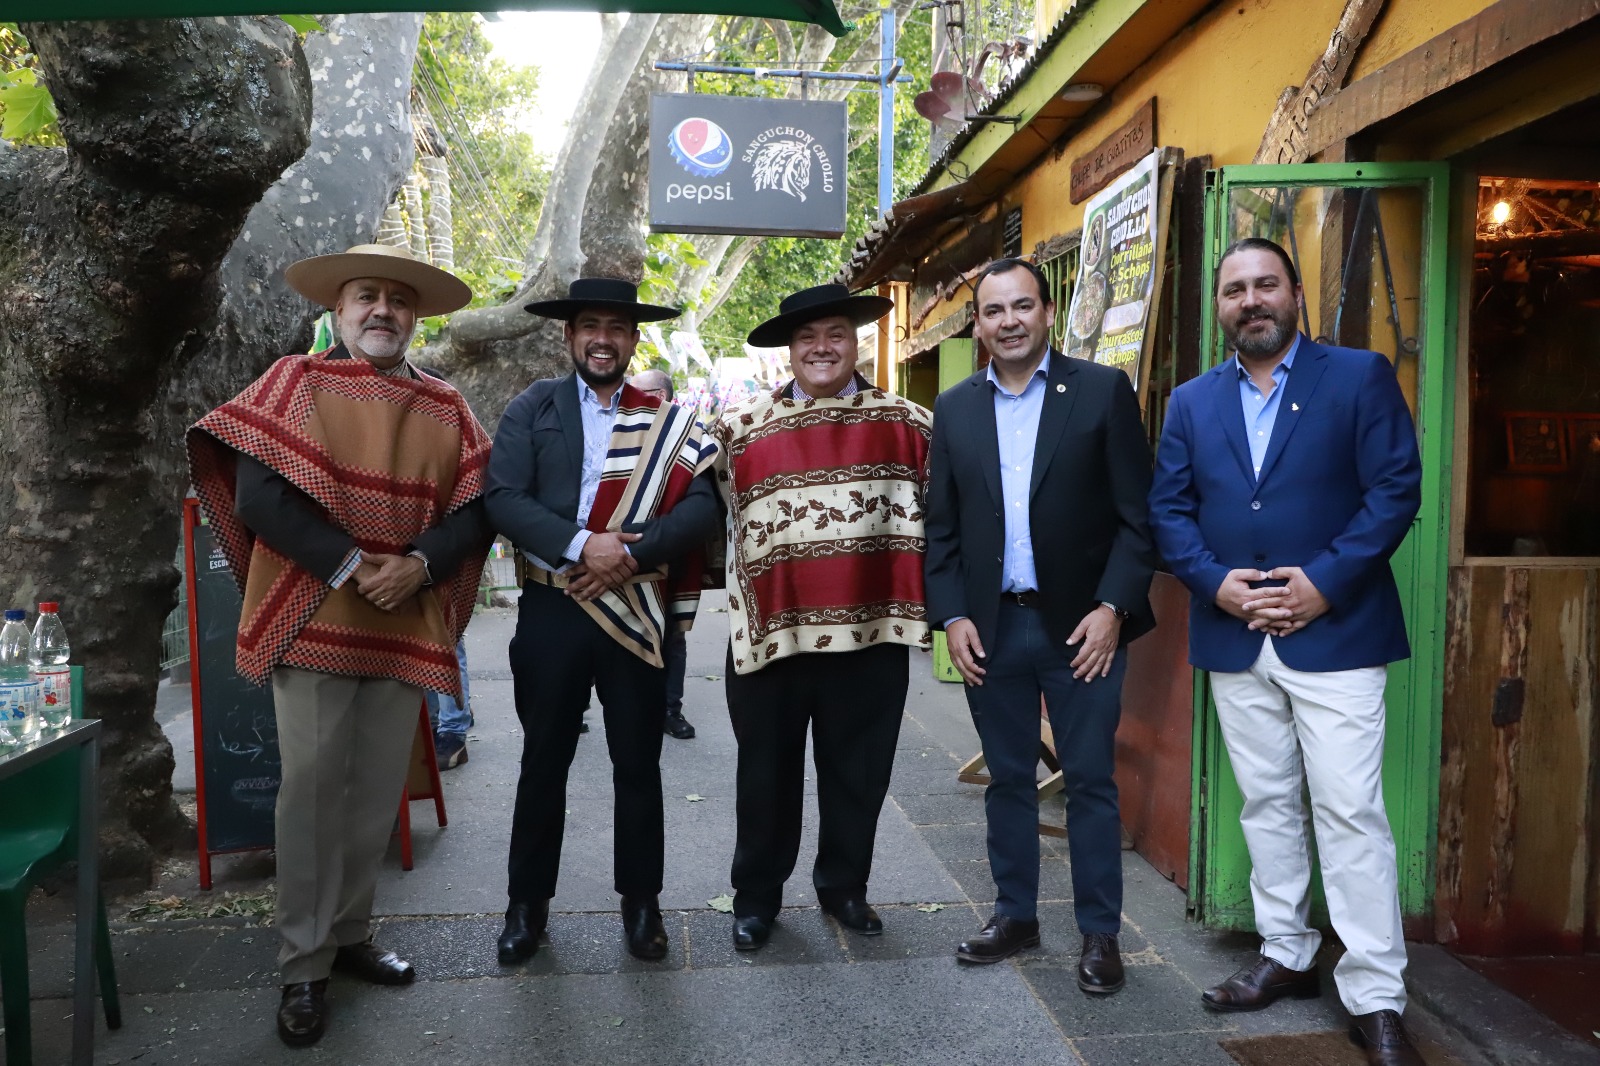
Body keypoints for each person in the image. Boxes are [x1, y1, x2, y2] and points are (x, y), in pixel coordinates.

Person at [186, 244, 492, 1048]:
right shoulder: (293, 382)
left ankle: (350, 934)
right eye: (367, 295)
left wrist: (420, 564)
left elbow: (476, 506)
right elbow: (259, 499)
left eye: (399, 298)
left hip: (403, 616)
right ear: (339, 308)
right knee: (313, 793)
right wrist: (357, 565)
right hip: (313, 615)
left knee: (375, 791)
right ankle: (302, 965)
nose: (383, 309)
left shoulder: (448, 405)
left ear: (415, 316)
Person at [1147, 238, 1424, 1066]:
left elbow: (1395, 489)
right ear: (1220, 307)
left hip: (1336, 633)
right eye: (1234, 289)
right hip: (1236, 634)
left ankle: (1375, 995)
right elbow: (1169, 511)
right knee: (1265, 802)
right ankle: (1287, 952)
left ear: (1296, 293)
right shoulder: (1192, 402)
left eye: (1265, 284)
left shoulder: (1359, 377)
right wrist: (1215, 585)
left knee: (1350, 811)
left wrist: (1324, 583)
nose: (1251, 300)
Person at [924, 257, 1156, 995]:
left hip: (1083, 631)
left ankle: (1100, 933)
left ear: (1049, 312)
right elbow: (942, 529)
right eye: (994, 311)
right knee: (1008, 780)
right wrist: (952, 615)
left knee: (1088, 780)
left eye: (1022, 306)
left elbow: (1138, 519)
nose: (1010, 321)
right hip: (992, 628)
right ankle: (1015, 916)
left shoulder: (1100, 390)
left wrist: (1113, 610)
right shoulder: (955, 408)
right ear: (978, 325)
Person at [486, 278, 721, 966]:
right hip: (553, 607)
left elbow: (704, 508)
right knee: (543, 761)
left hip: (635, 606)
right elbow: (502, 497)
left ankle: (642, 904)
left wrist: (629, 555)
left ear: (633, 340)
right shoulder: (533, 406)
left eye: (617, 328)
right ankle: (526, 906)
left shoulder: (669, 420)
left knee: (638, 763)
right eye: (591, 325)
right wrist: (584, 546)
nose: (603, 339)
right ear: (569, 335)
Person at [714, 283, 933, 951]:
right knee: (764, 777)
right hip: (770, 638)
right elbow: (705, 520)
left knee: (858, 775)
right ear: (789, 349)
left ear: (856, 342)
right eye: (807, 337)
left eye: (835, 333)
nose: (821, 348)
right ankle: (756, 899)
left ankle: (844, 889)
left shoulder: (910, 424)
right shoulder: (738, 431)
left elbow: (949, 517)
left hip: (871, 636)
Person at [630, 368, 695, 741]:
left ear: (662, 395)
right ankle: (581, 706)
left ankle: (671, 709)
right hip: (616, 554)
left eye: (639, 391)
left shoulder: (687, 434)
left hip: (670, 555)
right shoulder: (621, 430)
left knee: (671, 635)